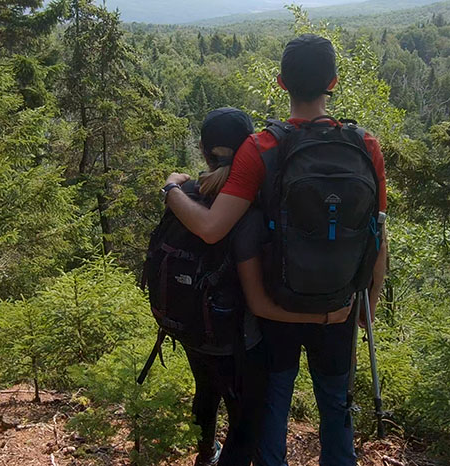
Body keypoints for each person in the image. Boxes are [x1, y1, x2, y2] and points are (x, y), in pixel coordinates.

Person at [160, 35, 389, 466]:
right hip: (339, 304)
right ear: (333, 82)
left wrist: (172, 189)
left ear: (281, 83)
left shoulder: (261, 147)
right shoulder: (366, 145)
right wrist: (366, 311)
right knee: (336, 406)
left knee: (274, 407)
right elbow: (377, 239)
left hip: (275, 304)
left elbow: (212, 229)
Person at [173, 108, 351, 466]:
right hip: (247, 336)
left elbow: (203, 233)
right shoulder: (253, 209)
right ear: (245, 153)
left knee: (214, 394)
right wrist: (334, 314)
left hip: (193, 327)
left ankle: (206, 454)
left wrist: (171, 187)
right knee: (249, 420)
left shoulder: (187, 196)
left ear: (204, 149)